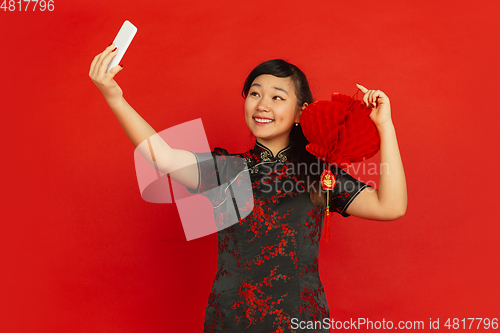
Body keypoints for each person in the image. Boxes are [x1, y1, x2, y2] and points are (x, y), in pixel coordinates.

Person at [89, 44, 407, 333]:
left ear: (301, 112)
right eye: (255, 94)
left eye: (277, 97)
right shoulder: (227, 170)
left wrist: (385, 125)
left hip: (299, 321)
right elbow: (164, 157)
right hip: (231, 321)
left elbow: (391, 206)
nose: (262, 105)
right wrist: (114, 97)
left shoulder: (317, 175)